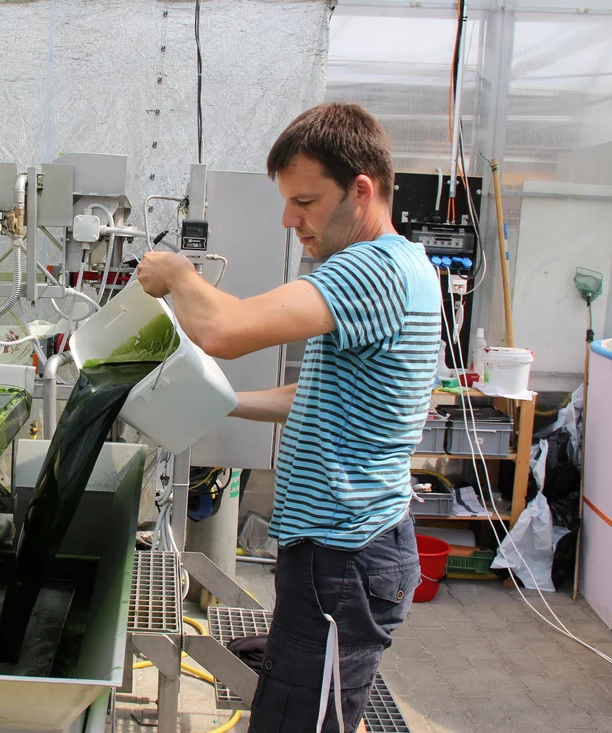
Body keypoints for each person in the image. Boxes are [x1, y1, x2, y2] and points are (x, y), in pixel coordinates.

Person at [136, 103, 440, 732]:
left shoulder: (371, 268)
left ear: (360, 190)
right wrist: (223, 402)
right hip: (344, 553)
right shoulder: (404, 264)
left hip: (343, 557)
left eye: (304, 201)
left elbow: (222, 329)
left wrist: (176, 274)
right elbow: (321, 397)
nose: (288, 219)